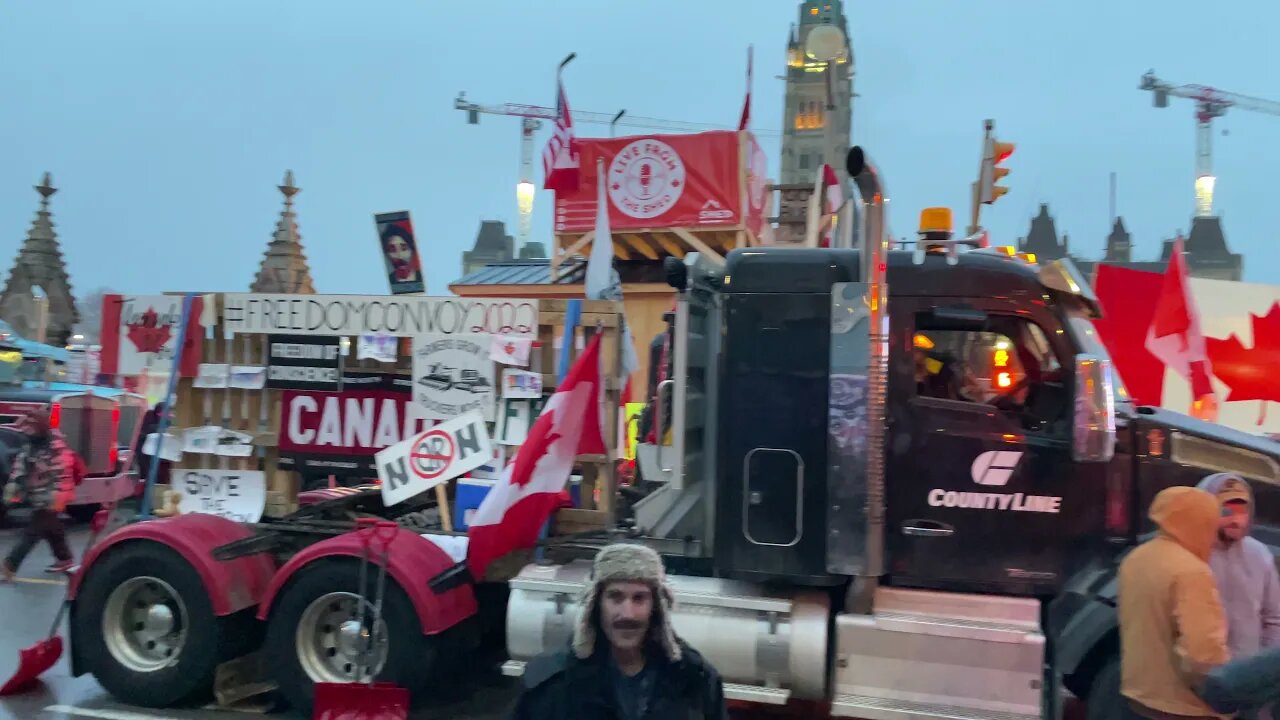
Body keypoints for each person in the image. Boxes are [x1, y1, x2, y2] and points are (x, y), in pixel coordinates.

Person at [510, 542, 727, 720]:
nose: (628, 614)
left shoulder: (695, 679)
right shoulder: (551, 685)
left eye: (639, 598)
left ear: (656, 606)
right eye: (615, 597)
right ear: (596, 603)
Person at [1119, 485, 1231, 720]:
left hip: (1140, 695)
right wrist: (1225, 693)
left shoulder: (1137, 558)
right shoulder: (1191, 572)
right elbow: (1201, 652)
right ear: (1198, 523)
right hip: (1184, 707)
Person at [1197, 472, 1280, 719]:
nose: (1236, 520)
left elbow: (1274, 617)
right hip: (1203, 683)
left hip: (1250, 682)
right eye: (1226, 511)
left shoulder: (1260, 554)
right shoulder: (1191, 554)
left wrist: (1263, 674)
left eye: (1242, 511)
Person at [2, 409, 76, 579]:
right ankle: (65, 559)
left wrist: (55, 496)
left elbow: (60, 473)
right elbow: (21, 466)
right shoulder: (31, 443)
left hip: (54, 493)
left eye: (30, 427)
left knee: (34, 530)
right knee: (52, 528)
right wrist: (14, 487)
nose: (26, 430)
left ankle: (10, 565)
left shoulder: (54, 446)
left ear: (39, 426)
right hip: (41, 492)